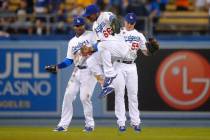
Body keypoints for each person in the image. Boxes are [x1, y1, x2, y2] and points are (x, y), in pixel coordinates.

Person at [45, 17, 97, 132]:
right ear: (74, 27)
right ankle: (63, 125)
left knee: (84, 98)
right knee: (68, 96)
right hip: (77, 70)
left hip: (90, 70)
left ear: (84, 25)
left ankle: (89, 125)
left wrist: (91, 49)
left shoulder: (92, 35)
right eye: (77, 26)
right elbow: (69, 60)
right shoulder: (72, 42)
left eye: (81, 25)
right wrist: (58, 66)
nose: (79, 27)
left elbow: (101, 46)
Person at [113, 13, 159, 132]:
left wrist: (152, 50)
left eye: (131, 23)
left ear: (134, 23)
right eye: (128, 22)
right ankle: (121, 122)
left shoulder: (139, 35)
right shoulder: (117, 32)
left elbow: (145, 52)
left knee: (133, 95)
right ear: (124, 21)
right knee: (119, 94)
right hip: (118, 64)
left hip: (131, 66)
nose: (129, 24)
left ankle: (136, 122)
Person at [82, 4, 130, 98]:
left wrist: (115, 22)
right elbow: (99, 43)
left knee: (102, 45)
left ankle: (110, 75)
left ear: (95, 13)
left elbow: (112, 18)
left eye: (89, 15)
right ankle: (106, 85)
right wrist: (90, 49)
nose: (87, 17)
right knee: (91, 61)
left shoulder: (105, 15)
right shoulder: (95, 26)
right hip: (108, 49)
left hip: (120, 46)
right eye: (86, 15)